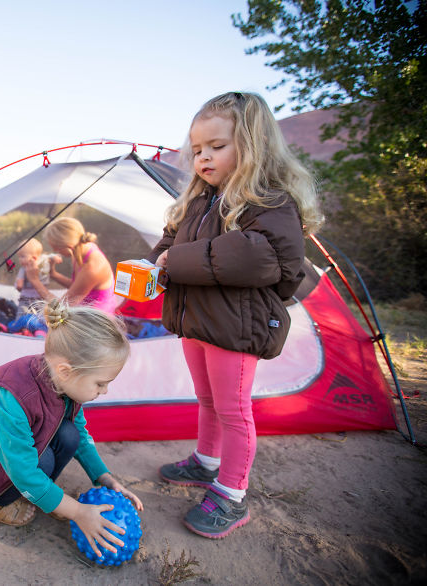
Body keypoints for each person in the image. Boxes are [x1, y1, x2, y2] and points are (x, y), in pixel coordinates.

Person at [146, 91, 323, 539]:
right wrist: (158, 264)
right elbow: (168, 245)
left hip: (235, 328)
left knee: (233, 409)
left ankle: (232, 493)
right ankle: (207, 462)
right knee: (206, 400)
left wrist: (176, 262)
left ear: (252, 145)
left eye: (217, 146)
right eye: (198, 148)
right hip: (195, 322)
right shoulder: (197, 200)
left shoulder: (269, 201)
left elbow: (257, 258)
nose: (203, 157)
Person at [0, 299, 143, 559]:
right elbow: (23, 471)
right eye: (100, 383)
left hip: (15, 459)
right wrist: (78, 512)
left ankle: (44, 495)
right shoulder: (11, 394)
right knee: (41, 461)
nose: (104, 391)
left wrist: (104, 478)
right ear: (66, 371)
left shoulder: (63, 381)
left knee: (69, 434)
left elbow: (80, 437)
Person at [24, 217, 117, 314]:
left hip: (95, 321)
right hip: (83, 308)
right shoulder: (80, 249)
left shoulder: (93, 267)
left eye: (57, 248)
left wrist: (34, 280)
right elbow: (78, 287)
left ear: (69, 247)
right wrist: (53, 274)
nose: (55, 251)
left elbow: (61, 307)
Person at [14, 238, 61, 316]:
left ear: (34, 258)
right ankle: (34, 326)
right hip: (41, 296)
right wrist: (56, 258)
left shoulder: (24, 269)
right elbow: (51, 256)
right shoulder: (43, 260)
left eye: (22, 256)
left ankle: (22, 326)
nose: (20, 260)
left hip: (27, 298)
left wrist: (18, 286)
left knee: (22, 314)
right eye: (19, 257)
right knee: (40, 315)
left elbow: (19, 285)